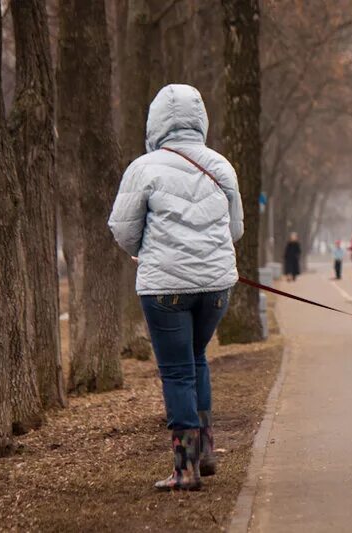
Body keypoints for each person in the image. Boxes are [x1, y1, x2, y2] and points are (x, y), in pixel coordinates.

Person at [109, 84, 243, 491]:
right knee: (197, 357)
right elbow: (235, 229)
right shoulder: (222, 167)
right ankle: (203, 452)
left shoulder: (144, 167)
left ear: (156, 122)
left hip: (165, 288)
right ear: (200, 119)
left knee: (177, 373)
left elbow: (123, 229)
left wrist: (141, 252)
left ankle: (185, 470)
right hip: (216, 287)